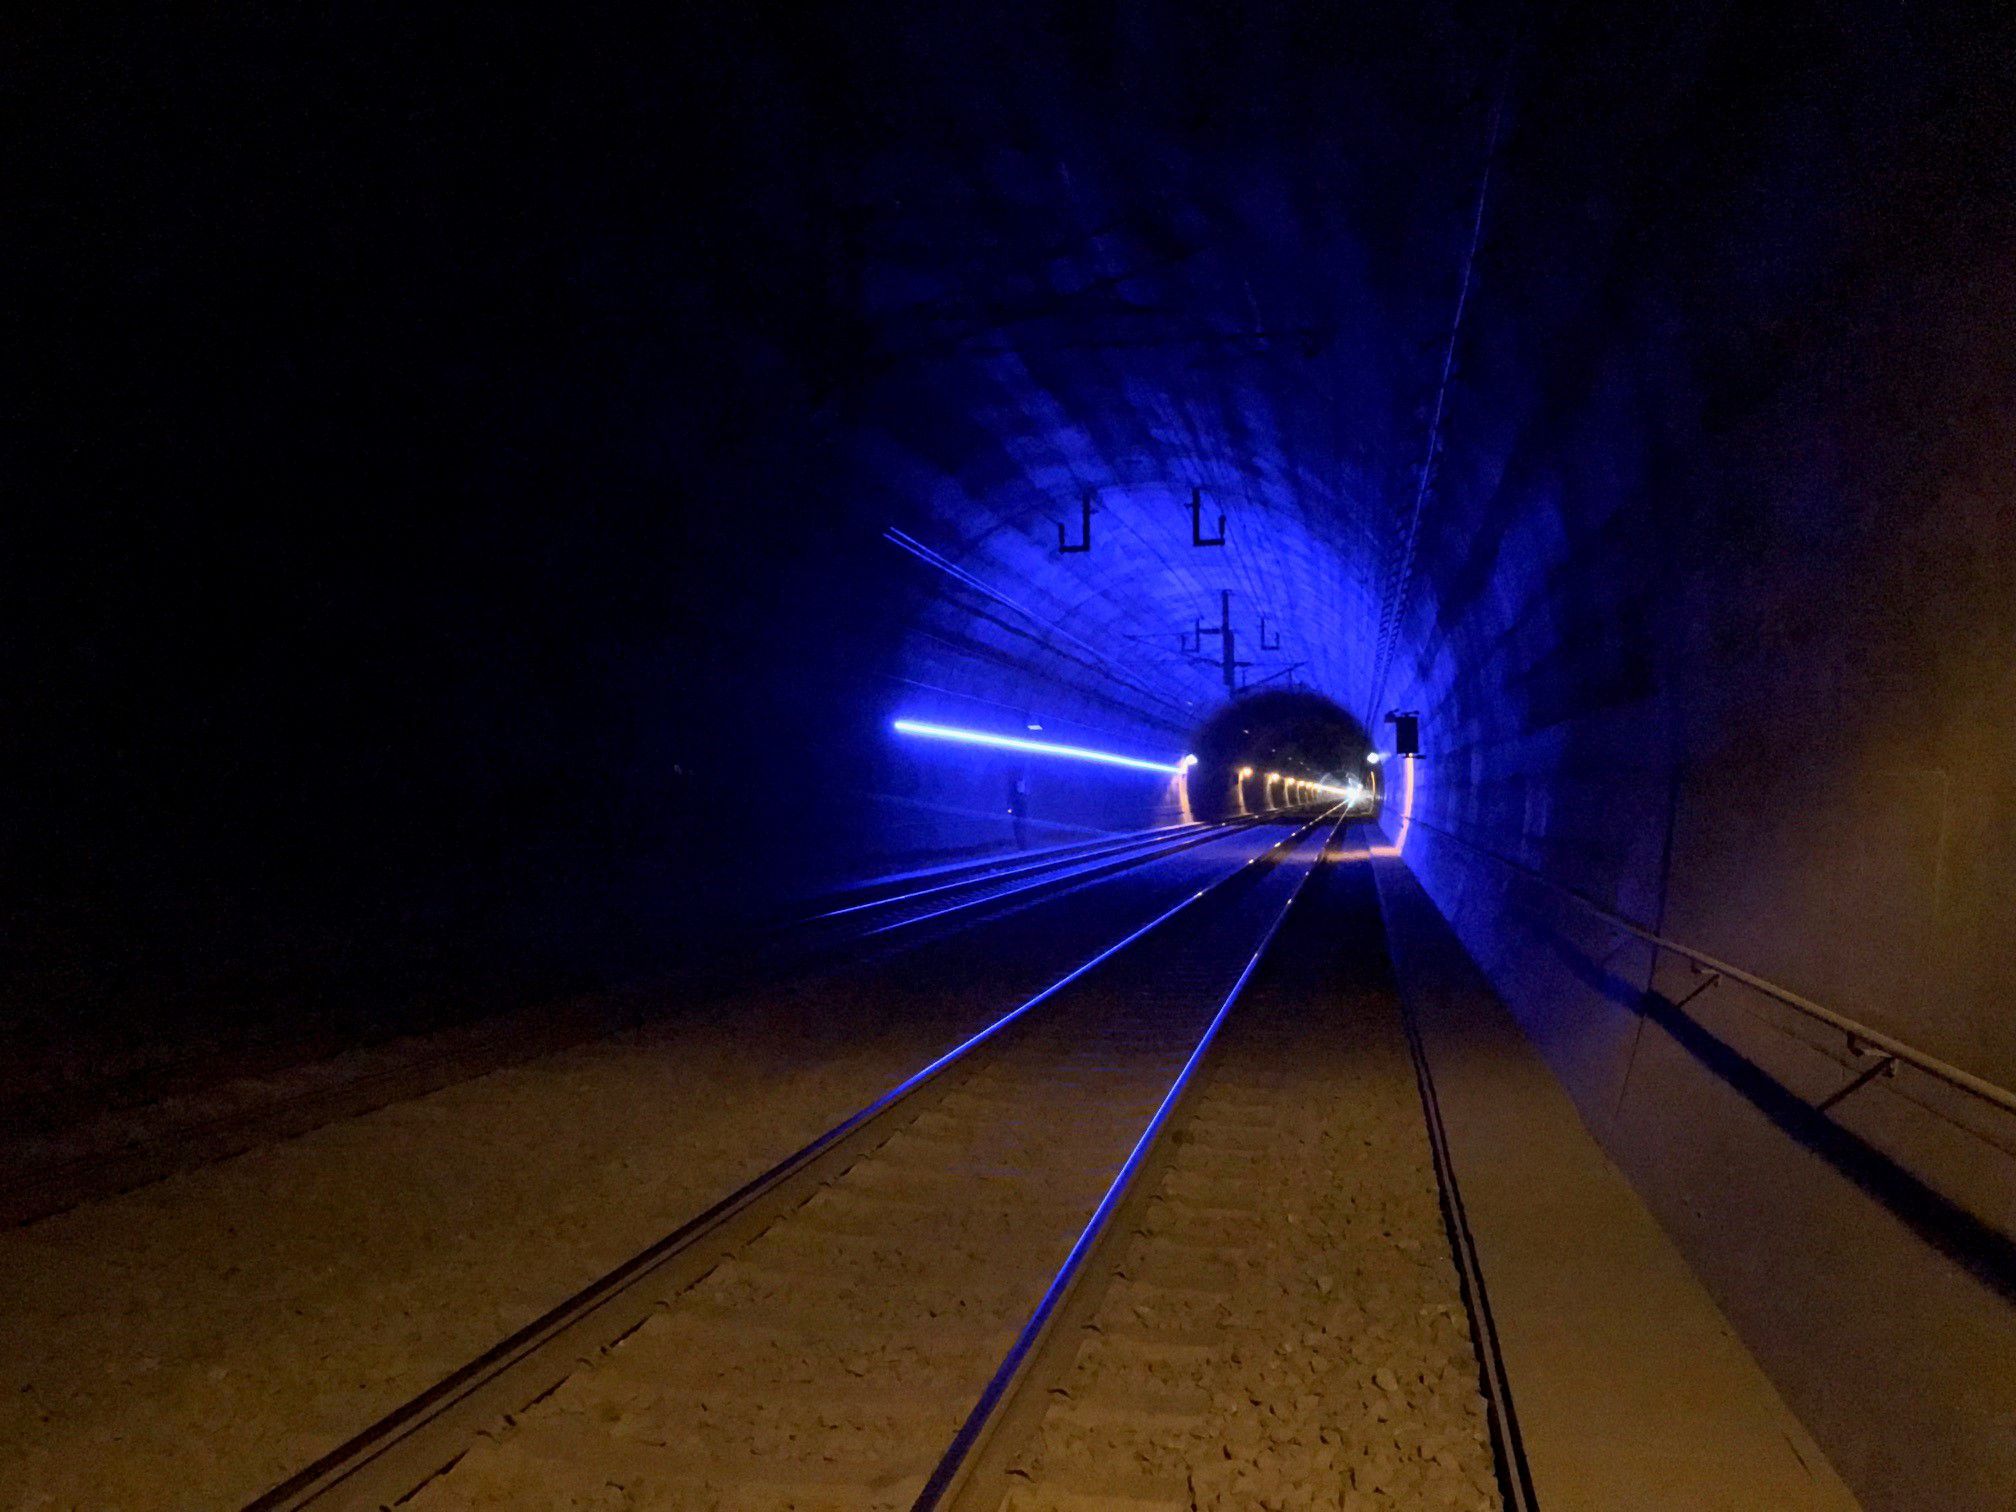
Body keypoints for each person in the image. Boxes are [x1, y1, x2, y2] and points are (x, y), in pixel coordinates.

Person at [1007, 774, 1030, 848]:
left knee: (1021, 829)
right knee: (1018, 829)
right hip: (1017, 814)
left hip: (1021, 814)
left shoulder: (1022, 795)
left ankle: (1022, 845)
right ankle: (1021, 845)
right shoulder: (1014, 795)